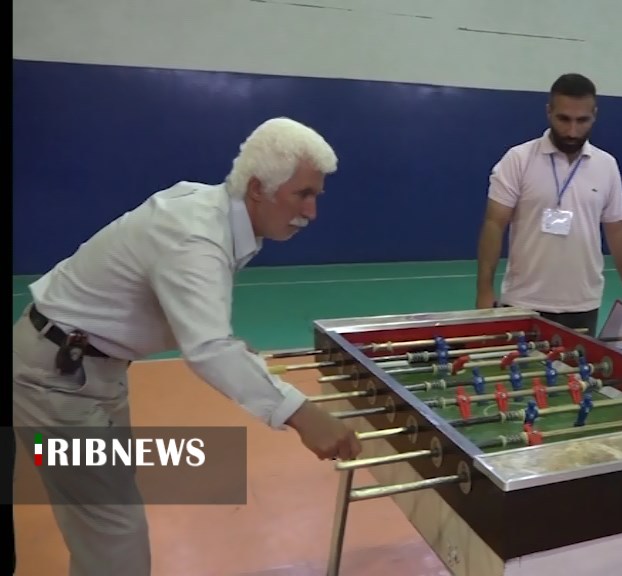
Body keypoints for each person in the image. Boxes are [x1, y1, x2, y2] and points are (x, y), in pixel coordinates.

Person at [11, 117, 363, 575]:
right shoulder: (196, 233)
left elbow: (188, 315)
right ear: (258, 188)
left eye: (316, 195)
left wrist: (217, 341)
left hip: (87, 371)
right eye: (303, 194)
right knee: (113, 531)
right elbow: (207, 349)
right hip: (52, 385)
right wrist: (302, 414)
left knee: (105, 519)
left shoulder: (212, 212)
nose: (311, 212)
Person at [474, 72, 622, 336]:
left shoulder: (606, 165)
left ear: (594, 115)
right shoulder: (518, 159)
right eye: (564, 119)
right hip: (523, 302)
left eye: (582, 120)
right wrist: (484, 290)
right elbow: (494, 223)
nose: (572, 131)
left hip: (583, 304)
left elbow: (617, 229)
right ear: (548, 112)